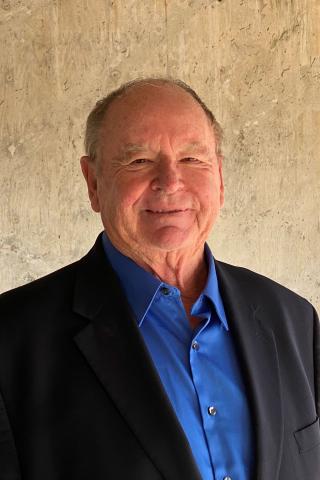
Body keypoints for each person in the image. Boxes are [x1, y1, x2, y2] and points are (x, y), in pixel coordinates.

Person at [0, 78, 319, 480]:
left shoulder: (292, 319)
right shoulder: (12, 340)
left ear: (219, 178)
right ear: (93, 182)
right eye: (138, 161)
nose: (170, 181)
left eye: (192, 159)